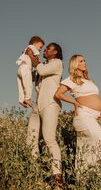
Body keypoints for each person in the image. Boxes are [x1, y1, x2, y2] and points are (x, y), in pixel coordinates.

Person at [55, 54, 101, 174]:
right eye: (81, 61)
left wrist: (98, 112)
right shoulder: (72, 79)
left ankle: (85, 180)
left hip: (93, 117)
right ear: (75, 64)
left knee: (88, 150)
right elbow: (58, 94)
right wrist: (74, 103)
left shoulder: (88, 80)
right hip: (83, 116)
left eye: (84, 60)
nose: (84, 62)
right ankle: (99, 175)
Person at [26, 43, 65, 189]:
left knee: (49, 139)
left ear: (55, 52)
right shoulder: (42, 65)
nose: (45, 50)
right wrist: (26, 60)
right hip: (38, 106)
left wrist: (33, 56)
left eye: (48, 48)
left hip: (50, 105)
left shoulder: (57, 63)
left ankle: (58, 180)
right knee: (31, 139)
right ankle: (35, 173)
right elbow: (30, 77)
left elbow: (41, 71)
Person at [16, 36, 45, 108]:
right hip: (26, 68)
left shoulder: (27, 49)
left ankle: (22, 100)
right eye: (40, 47)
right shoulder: (31, 47)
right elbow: (36, 53)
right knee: (28, 84)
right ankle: (27, 98)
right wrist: (38, 57)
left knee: (21, 85)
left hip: (20, 69)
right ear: (34, 43)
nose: (40, 49)